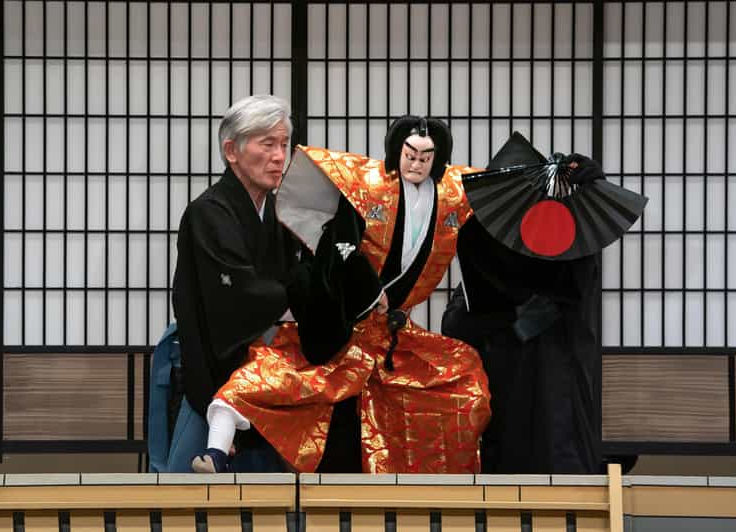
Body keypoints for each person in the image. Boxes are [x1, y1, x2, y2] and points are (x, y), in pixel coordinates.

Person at [192, 115, 491, 474]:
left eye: (426, 157)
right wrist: (366, 293)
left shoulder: (451, 194)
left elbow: (486, 197)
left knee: (464, 378)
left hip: (393, 335)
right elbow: (342, 248)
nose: (416, 163)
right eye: (409, 154)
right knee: (272, 378)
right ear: (395, 152)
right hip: (346, 323)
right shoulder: (368, 189)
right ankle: (217, 451)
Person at [441, 134, 604, 474]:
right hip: (505, 382)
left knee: (559, 458)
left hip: (555, 378)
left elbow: (578, 282)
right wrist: (510, 320)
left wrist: (590, 191)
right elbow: (456, 325)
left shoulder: (566, 246)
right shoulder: (480, 246)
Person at [167, 94, 302, 472]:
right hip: (217, 373)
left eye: (284, 145)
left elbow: (299, 275)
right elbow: (237, 295)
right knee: (187, 503)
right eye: (267, 144)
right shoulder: (208, 213)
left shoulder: (280, 213)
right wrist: (298, 299)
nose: (279, 156)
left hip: (270, 380)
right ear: (232, 150)